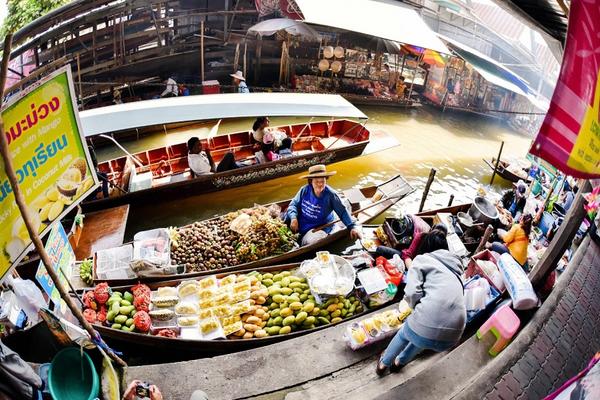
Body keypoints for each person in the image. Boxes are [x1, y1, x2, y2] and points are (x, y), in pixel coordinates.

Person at [377, 225, 466, 375]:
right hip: (453, 336)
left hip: (428, 326)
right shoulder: (457, 268)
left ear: (426, 246)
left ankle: (383, 364)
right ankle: (399, 363)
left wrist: (413, 306)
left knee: (406, 333)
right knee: (423, 334)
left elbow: (412, 292)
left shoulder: (423, 259)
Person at [286, 165, 361, 246]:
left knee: (314, 239)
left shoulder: (331, 195)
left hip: (319, 227)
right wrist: (294, 218)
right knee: (287, 218)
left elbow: (342, 212)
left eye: (323, 181)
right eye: (316, 181)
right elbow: (293, 205)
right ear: (311, 181)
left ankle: (300, 244)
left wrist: (352, 227)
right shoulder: (304, 190)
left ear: (326, 181)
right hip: (302, 222)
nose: (320, 184)